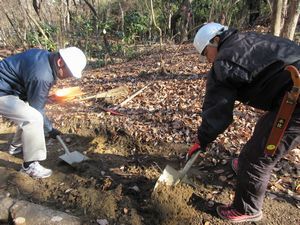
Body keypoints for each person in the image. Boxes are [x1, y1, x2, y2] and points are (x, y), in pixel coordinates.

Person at [187, 22, 300, 223]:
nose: (207, 60)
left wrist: (201, 140)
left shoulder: (224, 61)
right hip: (289, 91)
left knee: (256, 159)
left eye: (206, 53)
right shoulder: (246, 40)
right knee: (264, 128)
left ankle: (247, 209)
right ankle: (244, 169)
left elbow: (217, 113)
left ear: (215, 41)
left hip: (296, 100)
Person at [0, 47, 87, 179]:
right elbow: (37, 109)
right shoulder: (42, 74)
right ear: (60, 62)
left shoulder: (45, 58)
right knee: (33, 118)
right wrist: (50, 129)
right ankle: (29, 165)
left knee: (27, 113)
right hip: (3, 91)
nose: (69, 76)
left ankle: (16, 147)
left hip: (10, 88)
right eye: (69, 72)